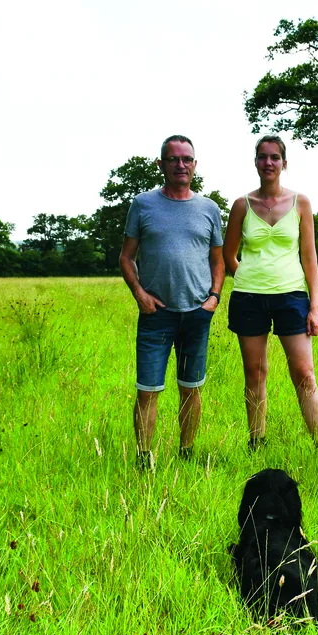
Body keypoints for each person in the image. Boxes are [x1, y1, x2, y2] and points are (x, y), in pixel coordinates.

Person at [119, 134, 224, 470]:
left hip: (196, 313)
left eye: (187, 159)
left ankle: (187, 452)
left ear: (195, 165)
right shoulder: (143, 204)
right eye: (174, 159)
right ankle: (143, 458)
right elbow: (126, 257)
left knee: (190, 388)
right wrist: (140, 294)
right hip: (156, 315)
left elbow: (218, 261)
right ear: (161, 164)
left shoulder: (208, 209)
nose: (181, 165)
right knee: (148, 390)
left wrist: (214, 297)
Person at [223, 135, 318, 449]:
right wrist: (250, 278)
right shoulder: (242, 205)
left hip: (292, 297)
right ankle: (257, 441)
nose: (268, 163)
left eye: (274, 157)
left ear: (284, 163)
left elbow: (309, 257)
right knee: (255, 373)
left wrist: (315, 307)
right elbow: (229, 255)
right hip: (248, 299)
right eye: (262, 157)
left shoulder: (301, 203)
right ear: (255, 162)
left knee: (304, 372)